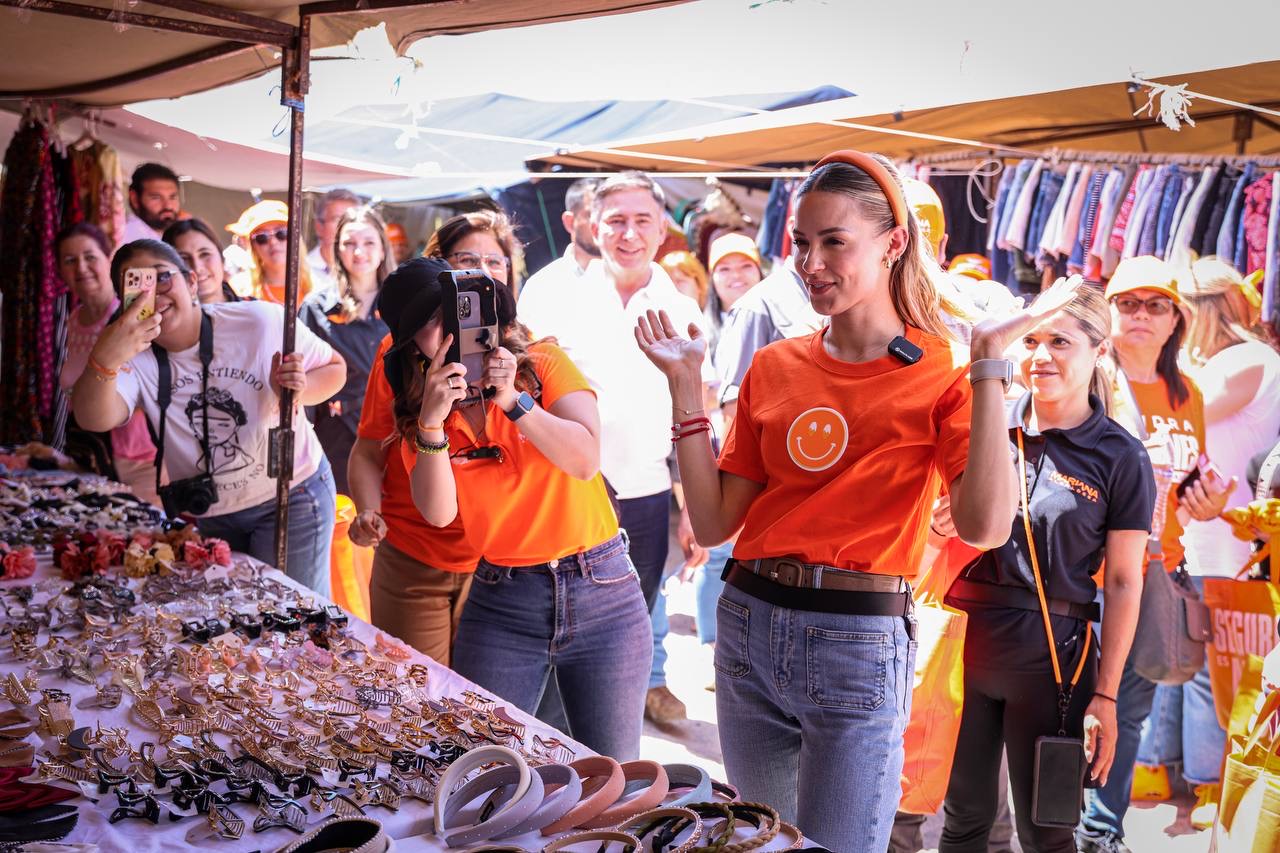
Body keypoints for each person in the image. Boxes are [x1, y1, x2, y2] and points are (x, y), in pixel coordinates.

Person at [636, 150, 1028, 850]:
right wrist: (684, 387)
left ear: (894, 244)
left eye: (833, 242)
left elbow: (987, 524)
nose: (810, 263)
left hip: (857, 636)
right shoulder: (774, 364)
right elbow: (716, 517)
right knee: (760, 842)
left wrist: (991, 369)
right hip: (748, 621)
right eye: (800, 243)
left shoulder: (943, 369)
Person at [388, 255, 652, 760]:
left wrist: (514, 401)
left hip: (601, 589)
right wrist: (430, 426)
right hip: (503, 598)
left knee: (612, 769)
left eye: (452, 315)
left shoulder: (545, 364)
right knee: (486, 763)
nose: (446, 334)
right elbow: (440, 513)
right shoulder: (424, 415)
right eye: (427, 327)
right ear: (414, 348)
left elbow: (583, 460)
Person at [938, 286, 1153, 853]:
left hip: (1055, 663)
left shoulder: (1120, 456)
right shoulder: (987, 422)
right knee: (961, 823)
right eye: (1030, 339)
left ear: (1098, 351)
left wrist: (1106, 696)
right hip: (965, 649)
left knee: (1048, 835)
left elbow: (1127, 581)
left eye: (1060, 341)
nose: (1041, 355)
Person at [519, 172, 711, 724]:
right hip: (564, 491)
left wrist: (694, 503)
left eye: (642, 220)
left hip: (646, 498)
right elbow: (525, 394)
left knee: (621, 640)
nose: (629, 233)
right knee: (557, 635)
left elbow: (691, 415)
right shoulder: (551, 292)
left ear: (662, 228)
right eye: (616, 221)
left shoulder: (679, 306)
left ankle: (602, 765)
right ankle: (550, 757)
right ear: (591, 226)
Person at [70, 239, 346, 595]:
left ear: (192, 282)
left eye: (163, 278)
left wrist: (296, 392)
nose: (154, 294)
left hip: (292, 496)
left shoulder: (259, 322)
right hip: (212, 507)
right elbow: (93, 418)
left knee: (293, 617)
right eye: (137, 284)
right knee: (237, 618)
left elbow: (336, 368)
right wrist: (104, 358)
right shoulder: (131, 354)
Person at [1077, 255, 1233, 853]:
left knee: (1131, 706)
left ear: (1176, 320)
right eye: (1128, 303)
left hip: (1155, 575)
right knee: (1070, 705)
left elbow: (1184, 495)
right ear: (1110, 312)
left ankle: (1100, 830)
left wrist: (1207, 501)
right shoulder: (1091, 380)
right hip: (1087, 573)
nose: (1141, 315)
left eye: (1156, 305)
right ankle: (1061, 821)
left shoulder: (1186, 392)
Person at [1138, 255, 1280, 828]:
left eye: (1171, 309)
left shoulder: (1251, 359)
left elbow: (1187, 407)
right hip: (1201, 532)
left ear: (1199, 312)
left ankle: (1210, 782)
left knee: (1210, 666)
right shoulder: (1231, 361)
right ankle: (1160, 768)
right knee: (1181, 652)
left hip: (1230, 534)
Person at [345, 211, 517, 664]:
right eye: (466, 260)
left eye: (494, 262)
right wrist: (367, 511)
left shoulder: (526, 353)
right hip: (414, 555)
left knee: (487, 710)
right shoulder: (400, 352)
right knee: (414, 700)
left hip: (503, 564)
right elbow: (367, 447)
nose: (480, 272)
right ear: (442, 271)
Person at [58, 223, 159, 504]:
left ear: (108, 260)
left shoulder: (130, 318)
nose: (81, 267)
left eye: (90, 257)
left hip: (142, 459)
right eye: (70, 260)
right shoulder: (73, 321)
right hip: (95, 457)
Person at [300, 206, 394, 497]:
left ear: (382, 249)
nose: (359, 252)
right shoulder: (316, 306)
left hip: (395, 428)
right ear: (337, 250)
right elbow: (303, 374)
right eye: (349, 243)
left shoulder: (405, 302)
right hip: (337, 435)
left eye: (368, 243)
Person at [520, 178, 601, 299]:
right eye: (592, 215)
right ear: (570, 222)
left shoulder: (633, 278)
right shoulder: (542, 287)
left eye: (612, 218)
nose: (602, 224)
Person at [229, 200, 314, 305]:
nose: (273, 242)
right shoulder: (238, 291)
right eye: (261, 237)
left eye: (281, 233)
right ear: (252, 246)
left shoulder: (320, 285)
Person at [703, 232, 764, 354]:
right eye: (725, 269)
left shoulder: (780, 323)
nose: (736, 275)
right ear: (712, 278)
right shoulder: (700, 331)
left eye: (746, 266)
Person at [163, 218, 242, 304]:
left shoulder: (254, 309)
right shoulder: (162, 317)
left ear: (221, 259)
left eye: (205, 254)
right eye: (184, 259)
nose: (197, 267)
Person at [308, 188, 361, 291]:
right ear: (319, 226)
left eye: (352, 220)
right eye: (337, 219)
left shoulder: (367, 270)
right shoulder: (301, 271)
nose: (346, 225)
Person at [123, 163, 181, 243]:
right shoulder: (127, 239)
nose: (168, 206)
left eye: (172, 197)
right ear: (135, 199)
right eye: (156, 198)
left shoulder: (173, 236)